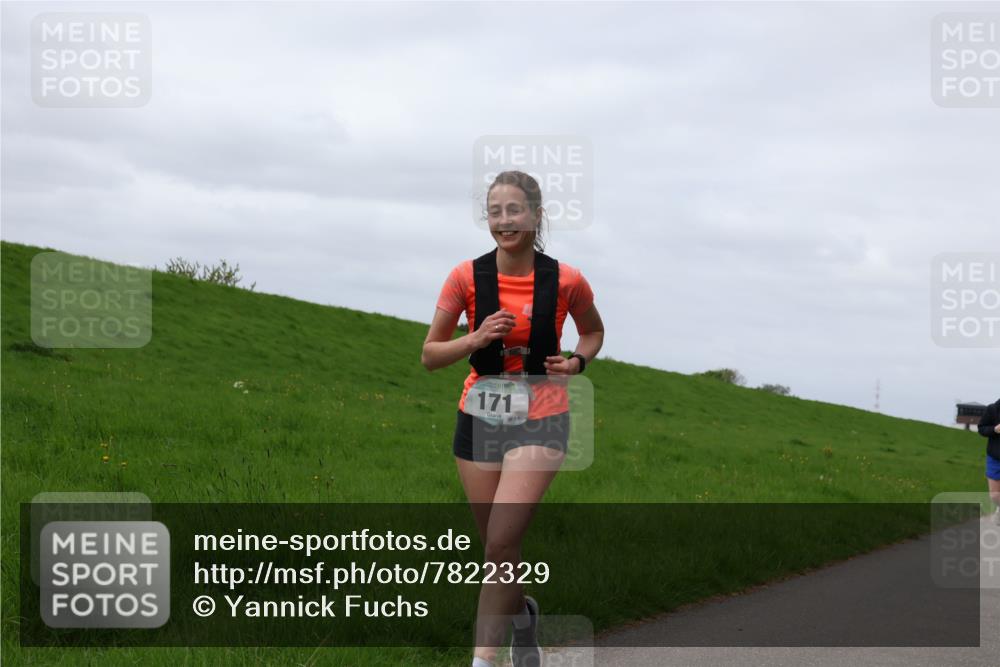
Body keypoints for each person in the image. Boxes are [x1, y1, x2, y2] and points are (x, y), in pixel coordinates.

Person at [421, 170, 604, 667]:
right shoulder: (465, 277)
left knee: (501, 541)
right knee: (497, 550)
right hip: (479, 415)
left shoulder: (566, 280)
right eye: (496, 211)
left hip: (542, 414)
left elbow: (592, 333)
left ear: (536, 216)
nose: (505, 221)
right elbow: (431, 355)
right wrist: (475, 339)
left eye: (515, 210)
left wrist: (577, 363)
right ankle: (524, 620)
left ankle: (483, 661)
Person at [979, 397, 1000, 524]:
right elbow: (982, 428)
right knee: (994, 495)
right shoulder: (992, 409)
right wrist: (994, 429)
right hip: (995, 457)